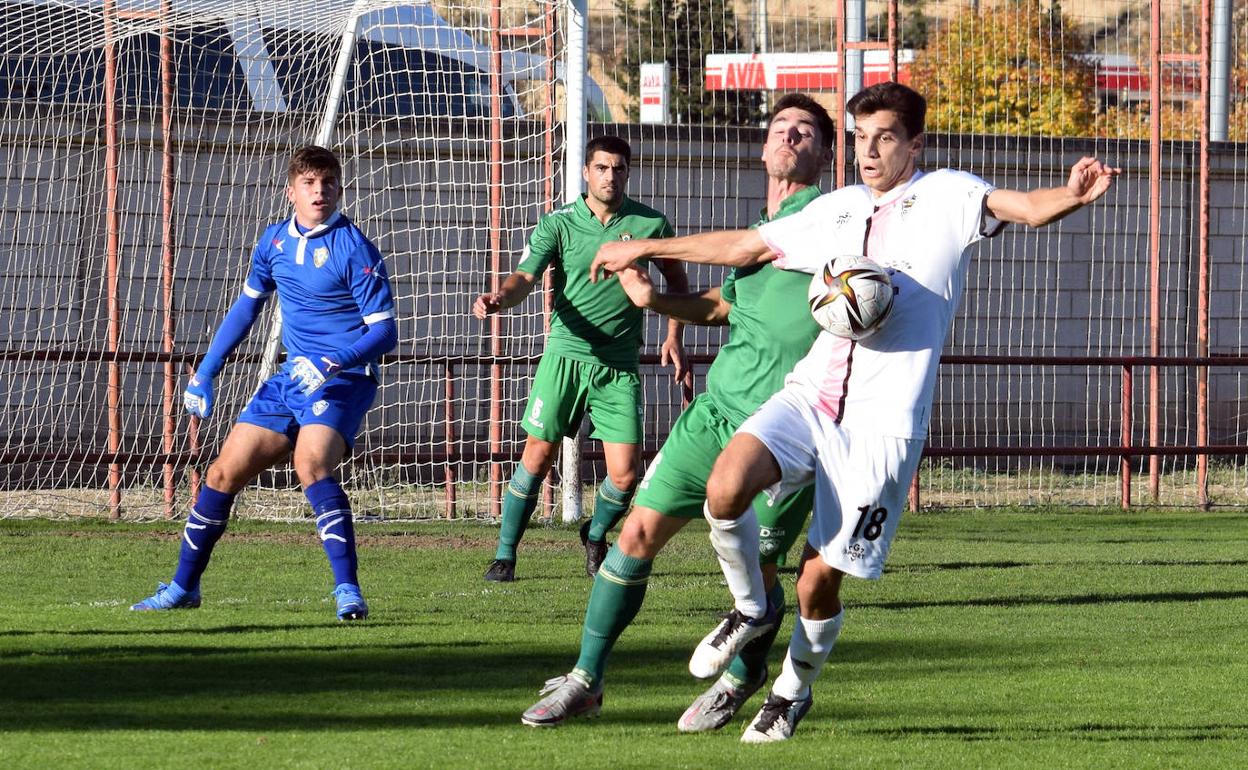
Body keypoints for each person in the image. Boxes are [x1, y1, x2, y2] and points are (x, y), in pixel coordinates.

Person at [587, 82, 1120, 742]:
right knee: (724, 489)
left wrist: (1071, 194)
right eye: (861, 137)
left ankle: (791, 689)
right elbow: (746, 248)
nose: (869, 151)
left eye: (885, 137)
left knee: (817, 585)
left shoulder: (949, 197)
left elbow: (1025, 206)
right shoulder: (837, 210)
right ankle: (751, 609)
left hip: (880, 429)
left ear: (914, 144)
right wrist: (645, 248)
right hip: (811, 397)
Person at [519, 94, 834, 729]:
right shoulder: (762, 228)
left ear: (826, 153)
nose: (791, 137)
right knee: (635, 534)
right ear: (764, 145)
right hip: (715, 413)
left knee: (761, 569)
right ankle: (586, 678)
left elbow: (743, 250)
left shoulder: (825, 220)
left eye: (807, 131)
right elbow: (722, 306)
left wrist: (641, 251)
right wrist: (654, 301)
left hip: (786, 429)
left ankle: (744, 679)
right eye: (781, 128)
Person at [131, 145, 398, 621]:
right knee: (220, 474)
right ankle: (182, 588)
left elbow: (385, 330)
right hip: (290, 379)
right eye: (310, 183)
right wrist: (205, 373)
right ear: (290, 190)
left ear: (339, 188)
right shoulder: (273, 242)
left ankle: (348, 593)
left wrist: (334, 362)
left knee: (310, 464)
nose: (320, 191)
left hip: (344, 379)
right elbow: (245, 308)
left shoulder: (355, 247)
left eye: (328, 183)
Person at [474, 135, 689, 583]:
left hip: (619, 366)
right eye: (602, 168)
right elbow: (524, 277)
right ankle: (505, 555)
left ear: (628, 173)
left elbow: (677, 282)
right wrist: (500, 298)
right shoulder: (559, 224)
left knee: (626, 476)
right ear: (586, 172)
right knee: (537, 456)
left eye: (619, 168)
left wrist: (674, 335)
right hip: (565, 357)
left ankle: (594, 534)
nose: (610, 176)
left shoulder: (651, 224)